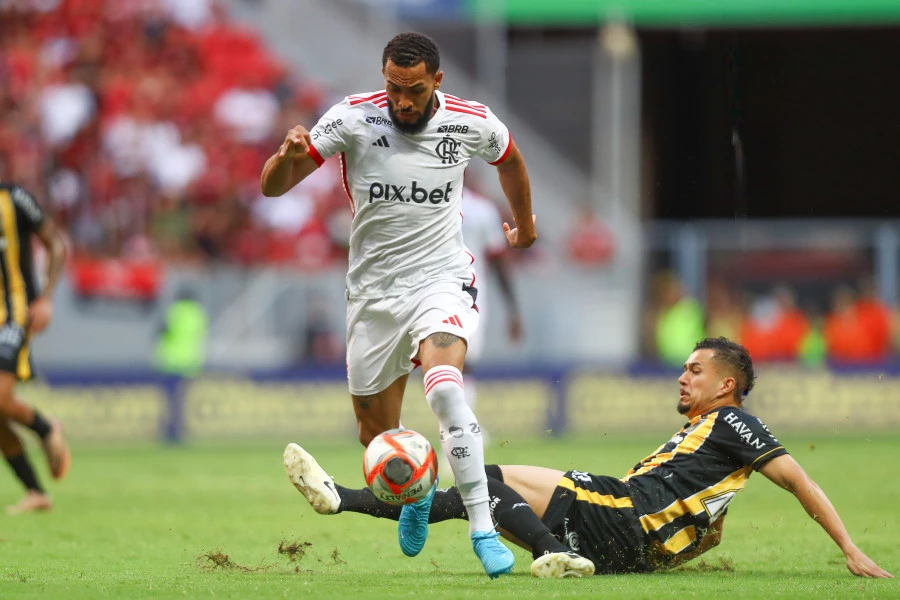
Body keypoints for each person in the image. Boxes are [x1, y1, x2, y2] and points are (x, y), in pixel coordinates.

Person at [263, 32, 537, 578]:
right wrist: (284, 157)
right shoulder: (351, 118)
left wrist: (525, 227)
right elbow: (275, 187)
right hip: (372, 295)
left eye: (413, 90)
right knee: (375, 437)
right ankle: (418, 491)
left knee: (445, 389)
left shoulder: (469, 121)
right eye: (393, 88)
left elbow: (510, 159)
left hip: (442, 279)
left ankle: (483, 527)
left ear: (437, 81)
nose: (402, 101)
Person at [282, 338, 893, 579]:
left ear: (727, 386)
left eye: (696, 371)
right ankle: (344, 499)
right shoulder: (708, 441)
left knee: (488, 483)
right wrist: (687, 547)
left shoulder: (733, 422)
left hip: (625, 515)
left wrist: (849, 549)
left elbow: (797, 480)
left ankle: (551, 550)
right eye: (684, 368)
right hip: (632, 532)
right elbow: (713, 520)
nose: (684, 378)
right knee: (483, 484)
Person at [0, 180, 70, 514]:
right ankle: (35, 491)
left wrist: (45, 298)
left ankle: (45, 427)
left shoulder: (15, 199)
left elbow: (56, 244)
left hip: (13, 314)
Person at [459, 185, 521, 418]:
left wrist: (513, 311)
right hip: (471, 294)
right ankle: (460, 426)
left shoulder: (422, 201)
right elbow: (498, 262)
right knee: (465, 363)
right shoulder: (482, 209)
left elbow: (497, 260)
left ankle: (460, 425)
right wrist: (513, 310)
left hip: (439, 292)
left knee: (458, 364)